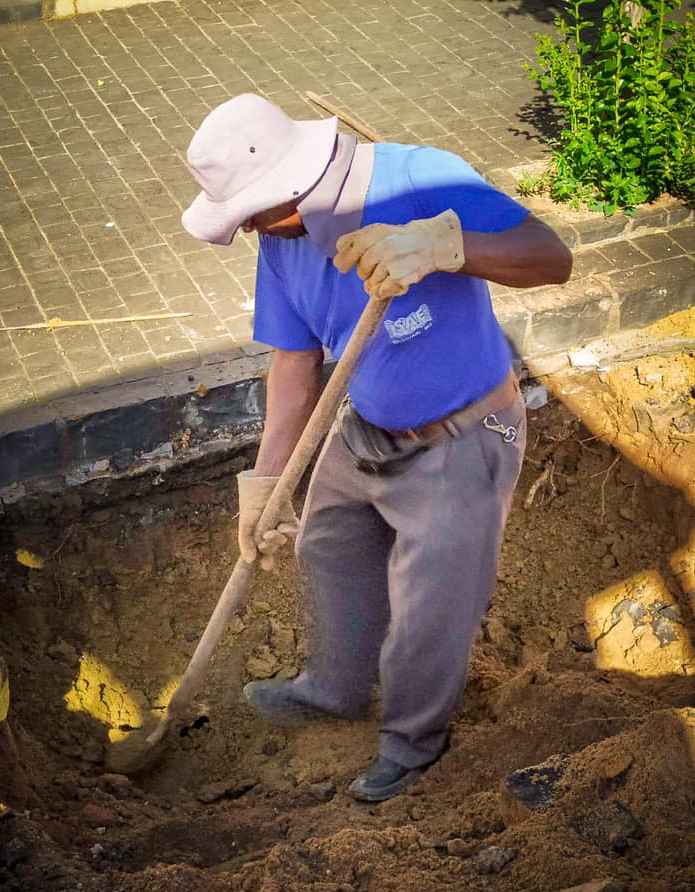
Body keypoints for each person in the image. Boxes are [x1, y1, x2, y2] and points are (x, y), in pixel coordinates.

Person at [182, 93, 572, 802]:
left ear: (289, 191)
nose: (245, 232)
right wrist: (266, 485)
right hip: (362, 426)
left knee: (430, 604)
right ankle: (334, 688)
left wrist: (443, 247)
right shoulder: (285, 241)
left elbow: (554, 259)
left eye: (252, 215)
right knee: (328, 546)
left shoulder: (421, 180)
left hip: (463, 436)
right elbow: (294, 366)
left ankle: (412, 745)